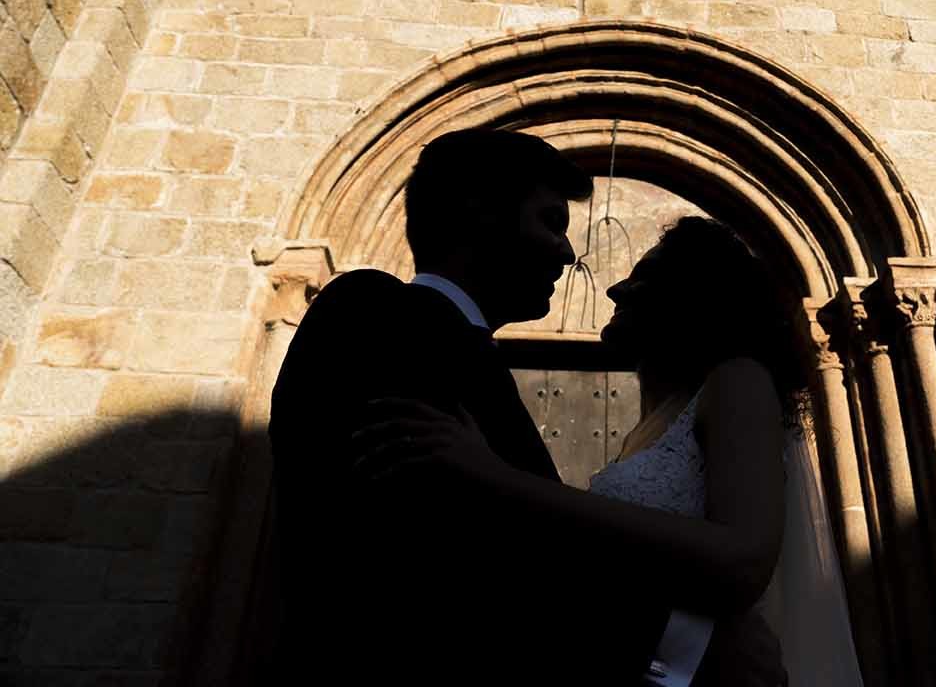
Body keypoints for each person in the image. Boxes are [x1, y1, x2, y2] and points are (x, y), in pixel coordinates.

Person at [267, 128, 784, 685]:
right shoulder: (374, 313)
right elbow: (456, 560)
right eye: (550, 223)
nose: (568, 252)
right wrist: (687, 644)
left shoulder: (475, 361)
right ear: (480, 213)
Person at [356, 215, 865, 686]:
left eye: (644, 277)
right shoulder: (654, 424)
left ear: (693, 297)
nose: (616, 287)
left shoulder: (738, 381)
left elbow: (744, 559)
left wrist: (493, 477)